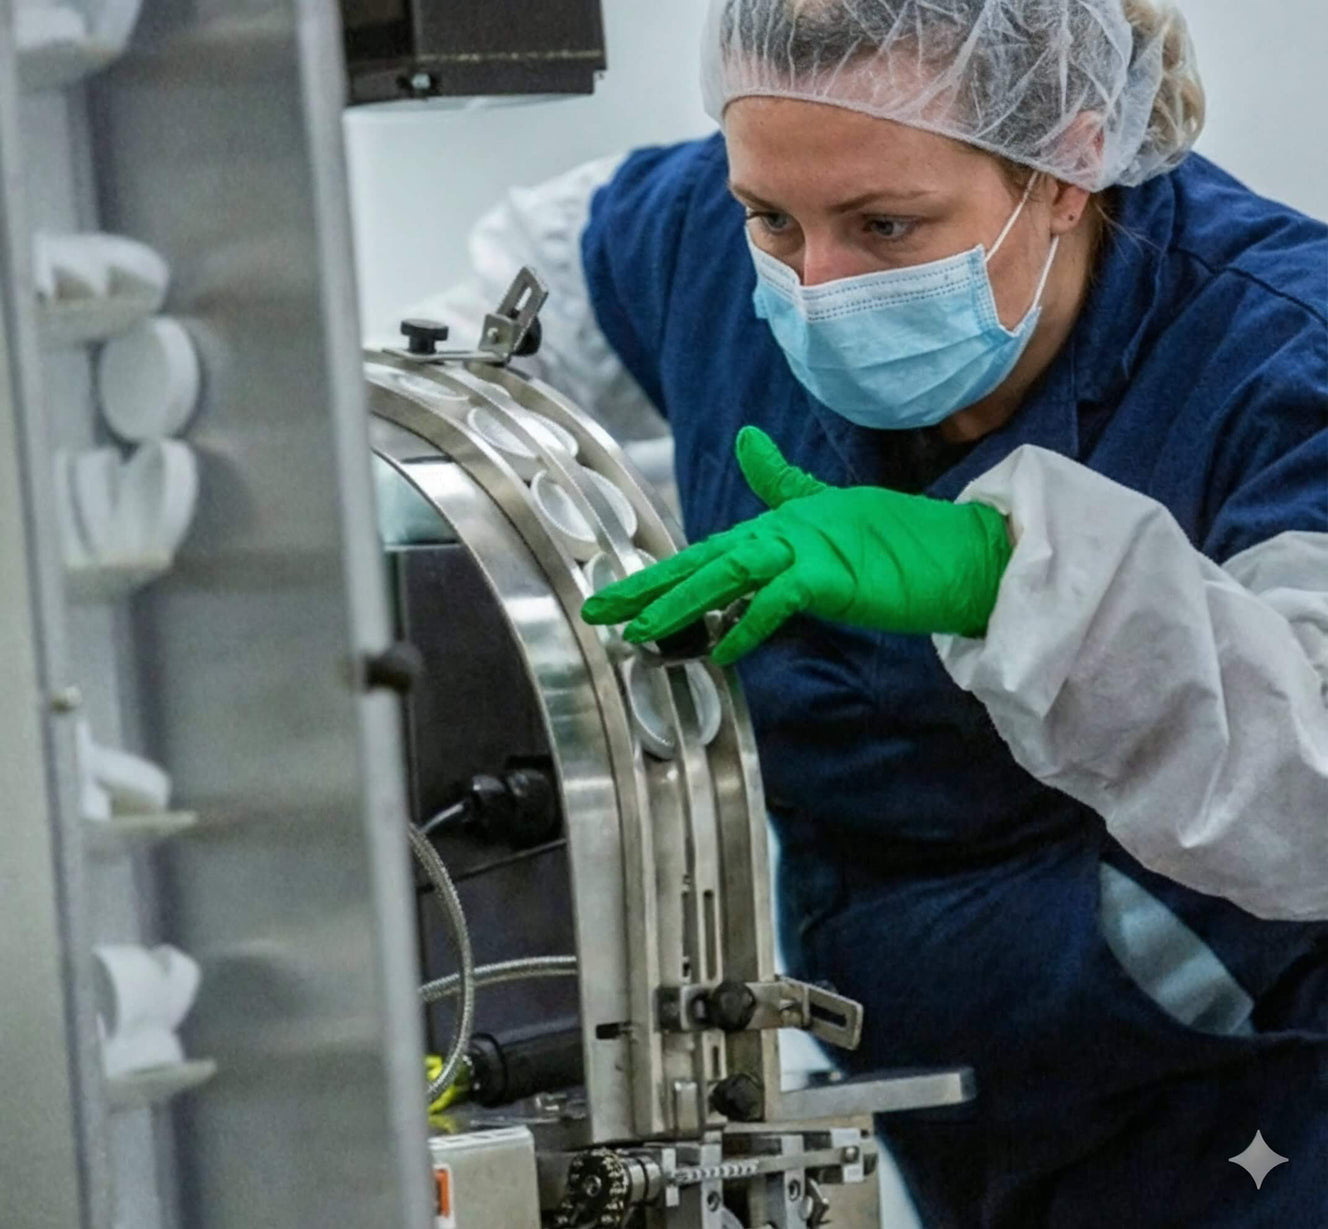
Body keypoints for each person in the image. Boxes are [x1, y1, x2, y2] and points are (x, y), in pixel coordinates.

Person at [419, 2, 1328, 1223]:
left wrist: (1001, 575)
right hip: (924, 1082)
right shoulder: (700, 235)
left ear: (1066, 163)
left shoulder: (1275, 357)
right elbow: (458, 382)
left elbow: (1308, 782)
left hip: (1242, 1102)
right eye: (772, 221)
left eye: (886, 227)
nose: (815, 285)